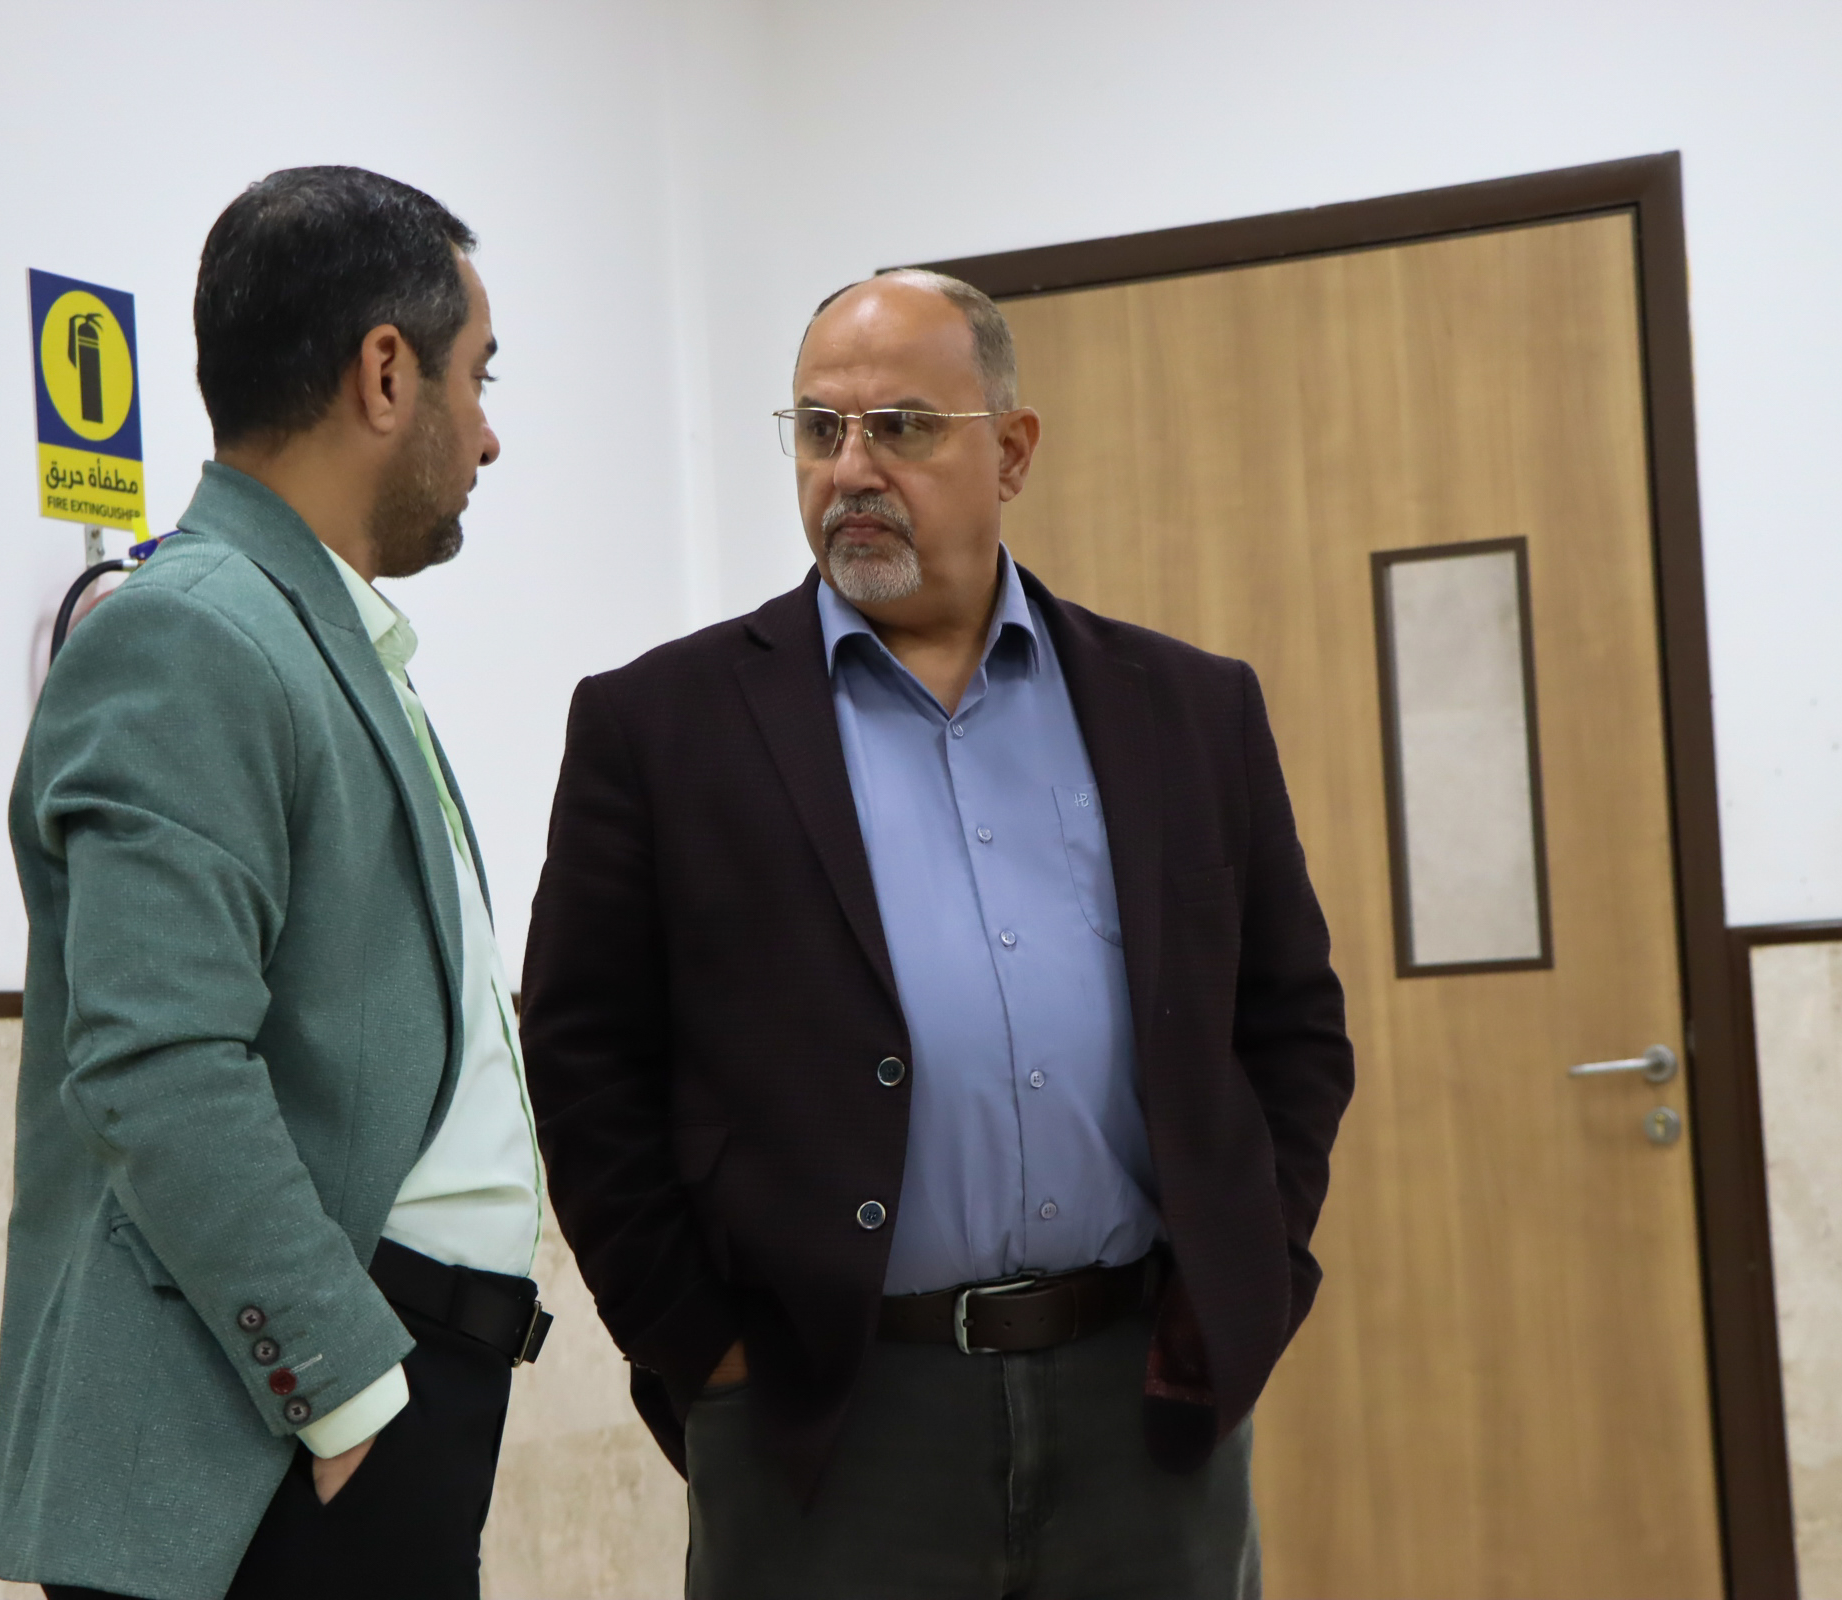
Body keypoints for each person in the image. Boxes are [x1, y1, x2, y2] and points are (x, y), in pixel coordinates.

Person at [523, 268, 1354, 1598]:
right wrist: (701, 1348)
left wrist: (1251, 1275)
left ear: (1011, 451)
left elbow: (1291, 1024)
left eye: (901, 427)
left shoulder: (1186, 709)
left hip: (1142, 1399)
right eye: (819, 429)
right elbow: (584, 1064)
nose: (851, 468)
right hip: (827, 1416)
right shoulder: (661, 728)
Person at [0, 166, 544, 1600]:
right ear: (384, 373)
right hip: (274, 1444)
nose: (488, 433)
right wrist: (343, 1391)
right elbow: (159, 1059)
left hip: (371, 1402)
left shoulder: (308, 628)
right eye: (477, 377)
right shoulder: (192, 632)